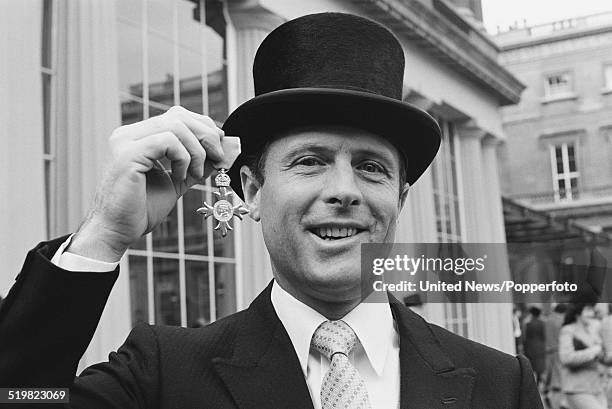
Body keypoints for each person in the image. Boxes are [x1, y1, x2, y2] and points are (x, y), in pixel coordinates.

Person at [0, 12, 542, 408]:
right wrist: (103, 234)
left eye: (373, 168)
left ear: (398, 198)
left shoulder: (501, 384)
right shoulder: (162, 373)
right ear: (253, 192)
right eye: (310, 161)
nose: (344, 190)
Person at [559, 294, 606, 409]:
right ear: (579, 311)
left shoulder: (593, 329)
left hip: (596, 387)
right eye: (588, 309)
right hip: (577, 388)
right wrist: (593, 351)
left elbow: (602, 357)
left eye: (593, 309)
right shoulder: (568, 330)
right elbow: (566, 358)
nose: (592, 313)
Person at [544, 303, 568, 409]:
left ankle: (547, 390)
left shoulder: (548, 320)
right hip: (558, 348)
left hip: (549, 348)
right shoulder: (561, 321)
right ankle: (559, 395)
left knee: (550, 370)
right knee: (560, 371)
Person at [524, 306, 547, 387]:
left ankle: (534, 384)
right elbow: (544, 336)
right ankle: (539, 382)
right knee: (540, 367)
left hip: (531, 347)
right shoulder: (542, 324)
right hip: (540, 347)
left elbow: (526, 337)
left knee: (532, 366)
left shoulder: (528, 324)